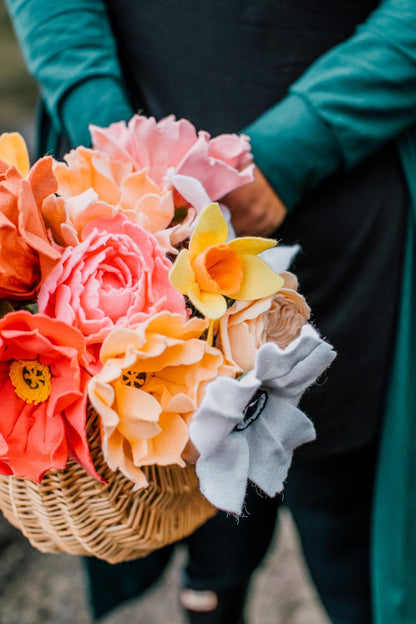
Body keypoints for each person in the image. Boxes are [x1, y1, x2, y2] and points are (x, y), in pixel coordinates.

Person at [5, 1, 416, 623]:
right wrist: (112, 147)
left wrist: (296, 145)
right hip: (126, 223)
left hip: (348, 225)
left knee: (349, 529)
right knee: (198, 517)